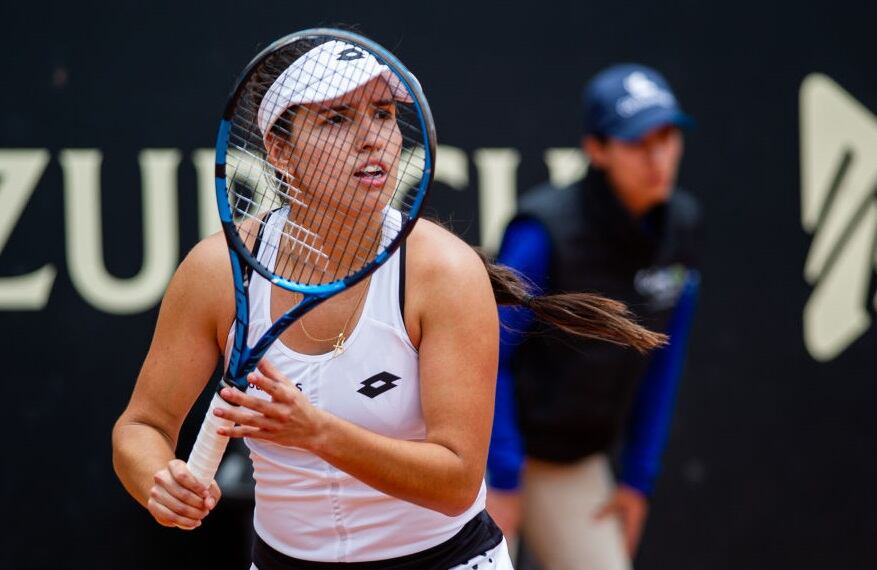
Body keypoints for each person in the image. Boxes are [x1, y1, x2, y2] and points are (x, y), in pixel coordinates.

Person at [112, 40, 663, 570]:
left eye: (382, 114)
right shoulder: (216, 272)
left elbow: (456, 481)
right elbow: (142, 426)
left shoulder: (444, 273)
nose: (371, 138)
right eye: (336, 119)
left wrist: (317, 431)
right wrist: (159, 480)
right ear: (279, 151)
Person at [486, 64, 702, 570]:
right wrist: (503, 475)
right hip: (489, 452)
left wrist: (637, 480)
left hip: (572, 460)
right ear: (597, 149)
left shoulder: (682, 228)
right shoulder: (544, 232)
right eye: (638, 142)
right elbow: (485, 353)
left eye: (667, 138)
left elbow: (663, 361)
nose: (658, 158)